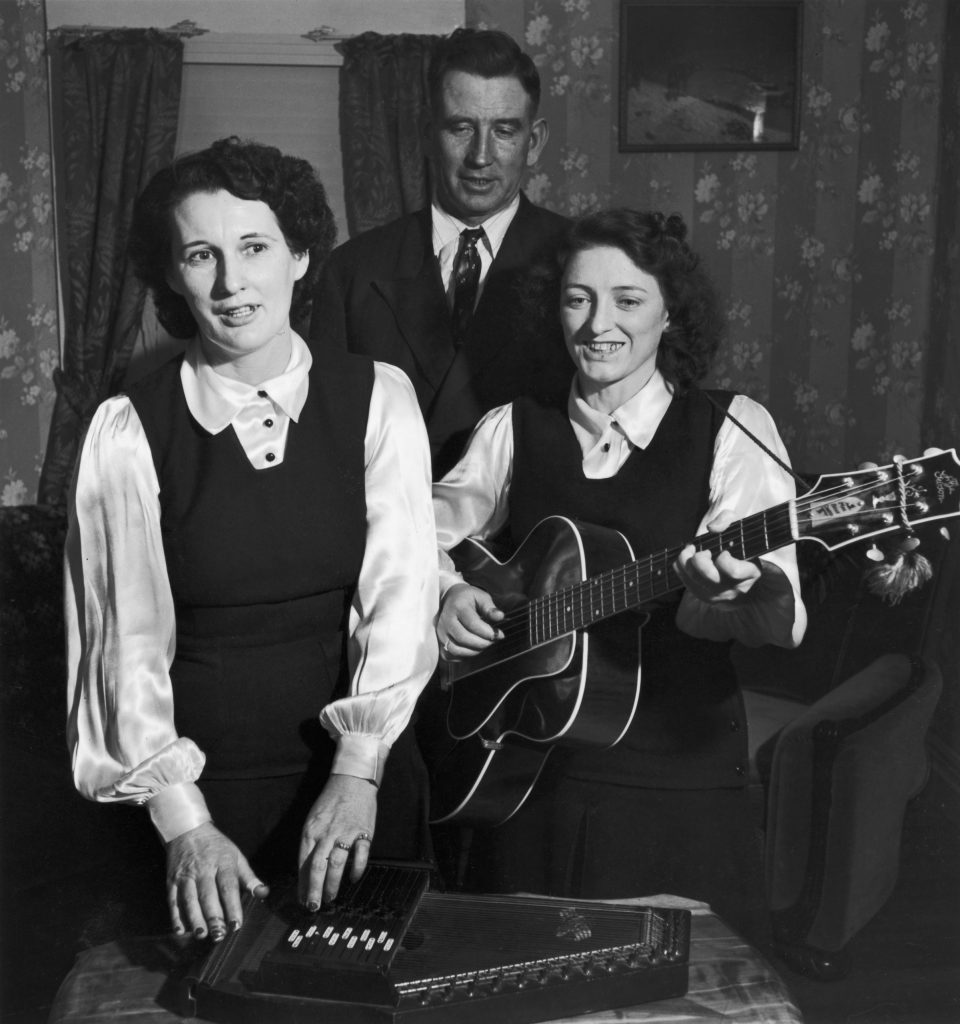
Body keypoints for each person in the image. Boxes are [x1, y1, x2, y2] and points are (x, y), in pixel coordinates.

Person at [65, 137, 438, 944]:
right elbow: (120, 653)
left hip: (364, 782)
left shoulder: (380, 398)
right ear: (172, 275)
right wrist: (185, 825)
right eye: (201, 255)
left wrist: (358, 768)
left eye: (256, 247)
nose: (232, 283)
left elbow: (403, 597)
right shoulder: (128, 430)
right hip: (201, 807)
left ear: (300, 255)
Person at [432, 208, 807, 944]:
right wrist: (445, 592)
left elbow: (776, 621)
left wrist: (726, 595)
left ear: (671, 314)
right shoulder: (514, 427)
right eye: (579, 299)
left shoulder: (732, 427)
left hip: (679, 779)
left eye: (628, 301)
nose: (599, 323)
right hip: (530, 776)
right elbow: (411, 535)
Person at [309, 27, 571, 477]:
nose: (481, 156)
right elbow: (324, 439)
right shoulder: (352, 270)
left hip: (532, 540)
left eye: (505, 130)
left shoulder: (579, 262)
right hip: (386, 534)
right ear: (427, 134)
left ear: (535, 142)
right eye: (461, 128)